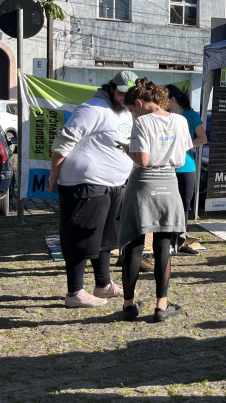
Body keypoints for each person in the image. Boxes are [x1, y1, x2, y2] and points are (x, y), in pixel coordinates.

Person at [49, 70, 137, 308]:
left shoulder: (126, 110)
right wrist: (53, 176)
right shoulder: (93, 108)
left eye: (129, 94)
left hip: (114, 184)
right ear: (111, 87)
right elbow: (64, 141)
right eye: (121, 92)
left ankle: (103, 284)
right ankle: (74, 292)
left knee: (107, 238)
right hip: (85, 183)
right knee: (81, 237)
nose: (124, 97)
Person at [118, 78, 192, 323]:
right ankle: (161, 305)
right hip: (169, 184)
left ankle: (129, 305)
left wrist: (126, 149)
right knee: (164, 243)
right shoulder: (180, 121)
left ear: (139, 102)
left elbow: (144, 160)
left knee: (133, 241)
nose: (132, 114)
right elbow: (181, 159)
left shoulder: (141, 122)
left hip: (143, 184)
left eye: (131, 110)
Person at [165, 84, 207, 256]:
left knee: (183, 207)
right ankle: (165, 243)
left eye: (164, 99)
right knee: (166, 207)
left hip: (185, 167)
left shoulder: (190, 115)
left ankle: (180, 242)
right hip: (166, 168)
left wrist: (182, 146)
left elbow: (203, 138)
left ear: (172, 99)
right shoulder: (163, 116)